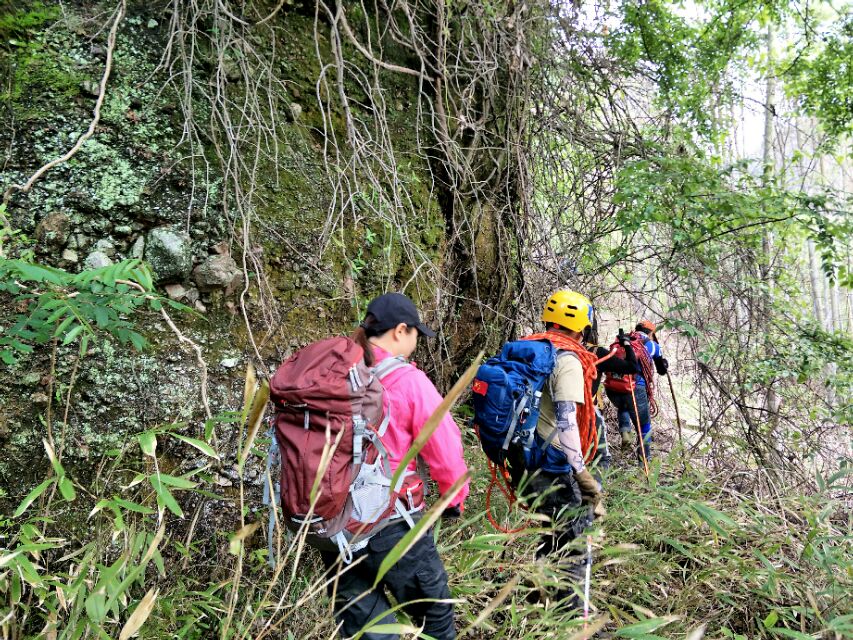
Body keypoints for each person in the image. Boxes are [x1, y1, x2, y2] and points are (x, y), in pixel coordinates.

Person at [321, 292, 469, 640]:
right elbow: (444, 445)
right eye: (416, 333)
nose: (416, 342)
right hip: (390, 522)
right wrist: (454, 499)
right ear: (400, 330)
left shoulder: (333, 372)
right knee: (434, 614)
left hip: (333, 524)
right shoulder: (407, 380)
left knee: (368, 628)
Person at [521, 290, 604, 606]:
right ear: (582, 327)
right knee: (574, 542)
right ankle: (571, 615)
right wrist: (582, 473)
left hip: (522, 456)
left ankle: (538, 591)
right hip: (550, 463)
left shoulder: (529, 349)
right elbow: (568, 422)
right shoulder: (567, 360)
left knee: (552, 527)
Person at [605, 320, 668, 462]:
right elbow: (661, 370)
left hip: (613, 387)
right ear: (651, 333)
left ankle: (625, 431)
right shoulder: (652, 345)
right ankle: (644, 460)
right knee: (644, 424)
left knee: (624, 406)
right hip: (635, 389)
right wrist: (664, 364)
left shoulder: (623, 340)